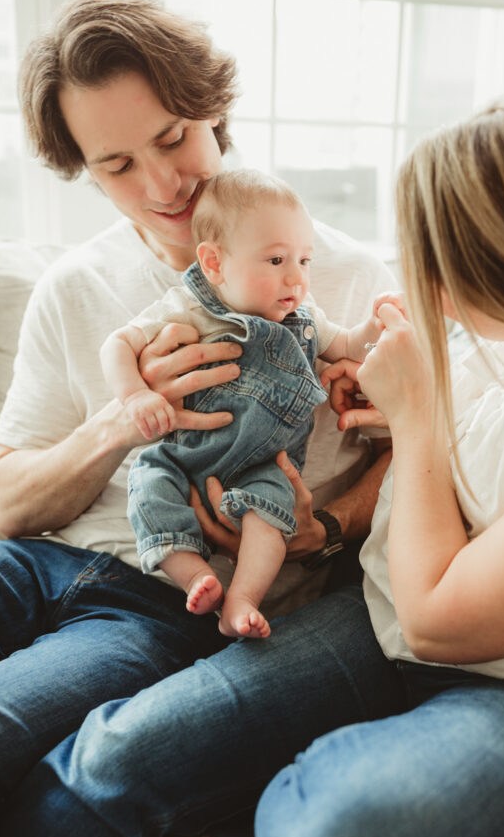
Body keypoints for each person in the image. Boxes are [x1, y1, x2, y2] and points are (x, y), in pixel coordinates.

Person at [0, 93, 504, 837]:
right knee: (113, 756)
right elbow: (403, 504)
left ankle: (309, 781)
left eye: (437, 258)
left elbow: (441, 620)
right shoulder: (479, 342)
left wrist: (419, 421)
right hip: (372, 622)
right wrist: (333, 511)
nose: (424, 284)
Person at [0, 0, 394, 809]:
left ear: (214, 112)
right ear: (85, 170)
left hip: (161, 604)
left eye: (173, 137)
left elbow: (423, 456)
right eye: (116, 166)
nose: (161, 184)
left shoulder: (335, 279)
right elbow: (8, 502)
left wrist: (330, 528)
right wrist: (122, 416)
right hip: (39, 561)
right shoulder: (76, 287)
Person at [101, 169, 385, 638]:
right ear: (214, 263)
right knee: (148, 490)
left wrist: (372, 329)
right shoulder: (187, 308)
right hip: (184, 454)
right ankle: (196, 577)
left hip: (263, 464)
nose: (296, 277)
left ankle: (242, 600)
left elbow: (348, 345)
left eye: (304, 260)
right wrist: (135, 395)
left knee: (272, 517)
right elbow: (117, 344)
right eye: (276, 260)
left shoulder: (306, 317)